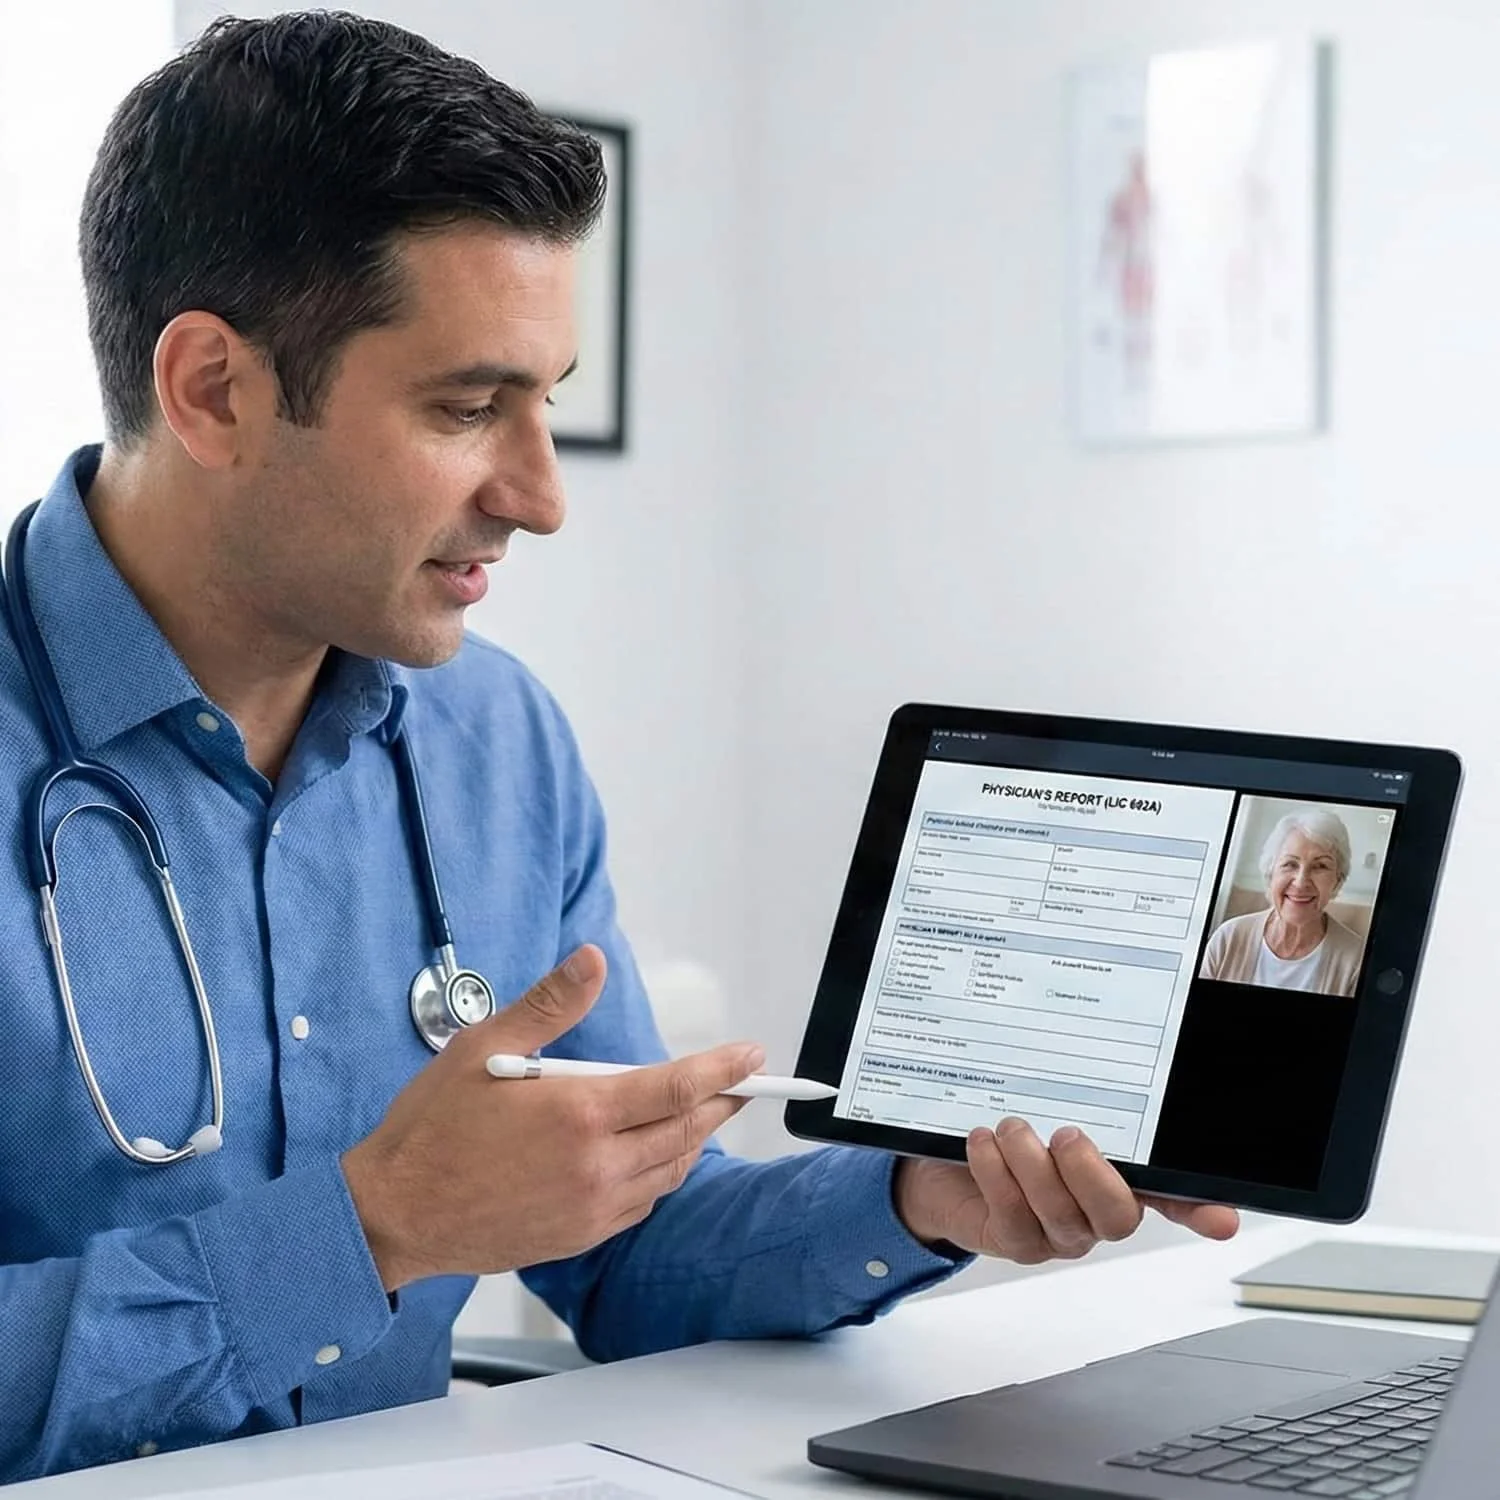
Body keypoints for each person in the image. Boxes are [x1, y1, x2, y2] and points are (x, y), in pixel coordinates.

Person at [0, 12, 1238, 1482]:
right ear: (213, 389)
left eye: (547, 404)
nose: (539, 495)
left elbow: (630, 1257)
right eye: (468, 408)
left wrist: (915, 1197)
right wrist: (374, 1229)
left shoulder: (493, 741)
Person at [1200, 808, 1364, 996]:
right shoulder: (1228, 938)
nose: (1301, 881)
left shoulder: (1357, 960)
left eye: (1320, 866)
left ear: (1338, 881)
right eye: (1290, 864)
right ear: (1271, 875)